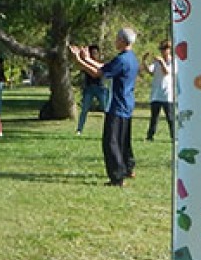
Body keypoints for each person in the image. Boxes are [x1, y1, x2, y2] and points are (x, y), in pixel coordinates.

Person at [72, 28, 139, 186]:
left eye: (117, 38)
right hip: (127, 104)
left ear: (122, 41)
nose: (115, 41)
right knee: (123, 140)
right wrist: (87, 58)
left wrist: (78, 61)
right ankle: (129, 168)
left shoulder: (121, 60)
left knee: (111, 142)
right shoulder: (130, 58)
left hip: (117, 105)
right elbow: (104, 67)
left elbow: (97, 73)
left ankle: (117, 177)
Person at [75, 44, 111, 135]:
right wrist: (79, 56)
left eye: (96, 53)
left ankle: (110, 129)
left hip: (101, 88)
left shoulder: (100, 64)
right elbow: (81, 67)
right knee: (84, 110)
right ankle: (79, 130)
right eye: (92, 53)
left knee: (106, 109)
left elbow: (98, 73)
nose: (94, 54)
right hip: (89, 89)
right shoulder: (86, 63)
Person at [143, 40, 176, 141]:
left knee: (170, 118)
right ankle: (150, 136)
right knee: (154, 117)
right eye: (162, 49)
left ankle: (174, 136)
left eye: (165, 49)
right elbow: (150, 71)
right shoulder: (156, 62)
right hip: (156, 94)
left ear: (169, 50)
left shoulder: (173, 62)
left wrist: (162, 62)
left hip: (167, 94)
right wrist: (144, 61)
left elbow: (167, 72)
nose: (163, 51)